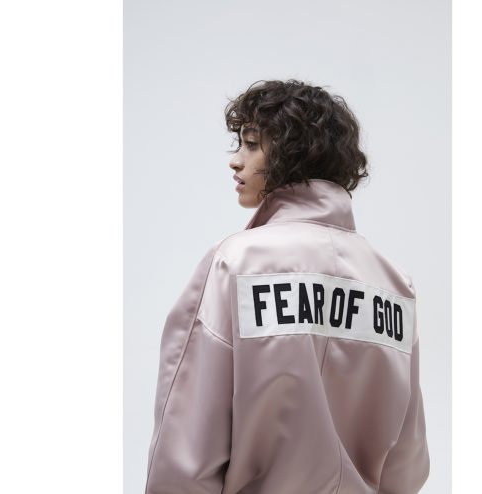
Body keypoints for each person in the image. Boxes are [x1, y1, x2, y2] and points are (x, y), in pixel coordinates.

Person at [144, 79, 430, 494]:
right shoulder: (394, 284)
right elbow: (407, 466)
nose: (236, 161)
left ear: (292, 154)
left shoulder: (236, 262)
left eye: (251, 144)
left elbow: (186, 446)